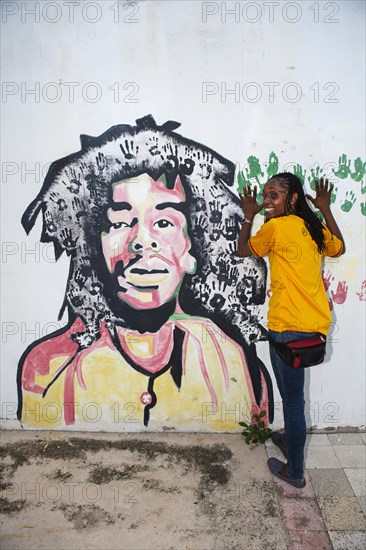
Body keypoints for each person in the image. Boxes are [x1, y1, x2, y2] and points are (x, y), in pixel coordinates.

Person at [17, 115, 273, 431]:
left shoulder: (235, 365)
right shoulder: (48, 371)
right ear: (95, 247)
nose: (141, 242)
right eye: (120, 223)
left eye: (164, 222)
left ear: (195, 249)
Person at [237, 173, 345, 488]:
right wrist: (324, 209)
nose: (266, 202)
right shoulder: (313, 228)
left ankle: (294, 472)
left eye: (273, 196)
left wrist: (248, 215)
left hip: (285, 328)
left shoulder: (274, 228)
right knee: (292, 396)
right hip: (313, 327)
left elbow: (244, 251)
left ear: (292, 198)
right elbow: (337, 249)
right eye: (265, 196)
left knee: (294, 401)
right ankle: (291, 440)